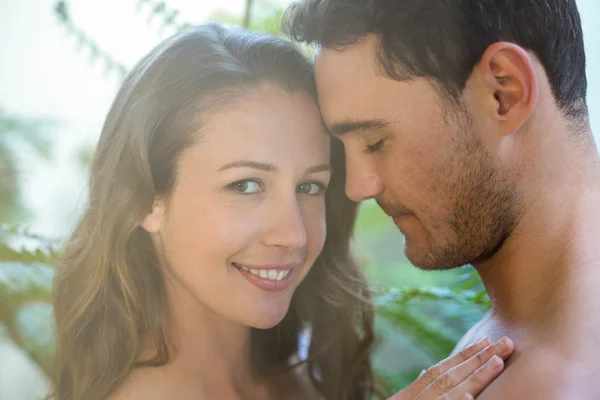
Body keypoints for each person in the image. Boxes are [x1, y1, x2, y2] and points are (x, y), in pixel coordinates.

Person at [49, 24, 513, 400]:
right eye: (245, 185)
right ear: (143, 199)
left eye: (310, 186)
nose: (294, 234)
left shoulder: (300, 368)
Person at [283, 0, 599, 398]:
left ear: (504, 93)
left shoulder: (554, 383)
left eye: (375, 141)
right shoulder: (519, 338)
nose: (357, 187)